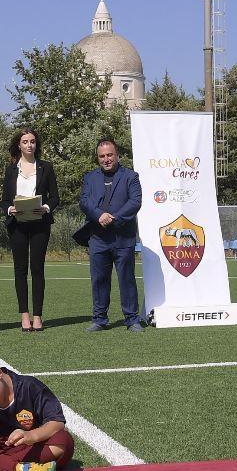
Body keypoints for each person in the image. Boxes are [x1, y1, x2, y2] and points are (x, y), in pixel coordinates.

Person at [78, 138, 143, 332]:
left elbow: (135, 202)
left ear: (117, 155)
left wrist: (114, 218)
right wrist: (99, 215)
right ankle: (99, 319)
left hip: (123, 238)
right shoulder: (90, 178)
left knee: (127, 279)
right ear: (98, 158)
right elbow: (84, 201)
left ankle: (132, 319)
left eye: (109, 155)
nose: (106, 159)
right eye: (102, 156)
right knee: (98, 280)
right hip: (98, 238)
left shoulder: (131, 176)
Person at [0, 128, 59, 332]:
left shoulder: (46, 167)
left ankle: (37, 316)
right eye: (25, 141)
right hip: (17, 225)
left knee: (37, 269)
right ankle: (24, 316)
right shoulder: (10, 170)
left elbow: (55, 197)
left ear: (36, 144)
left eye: (32, 141)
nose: (29, 145)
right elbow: (4, 200)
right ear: (19, 144)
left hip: (40, 224)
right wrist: (10, 209)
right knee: (20, 270)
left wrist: (45, 208)